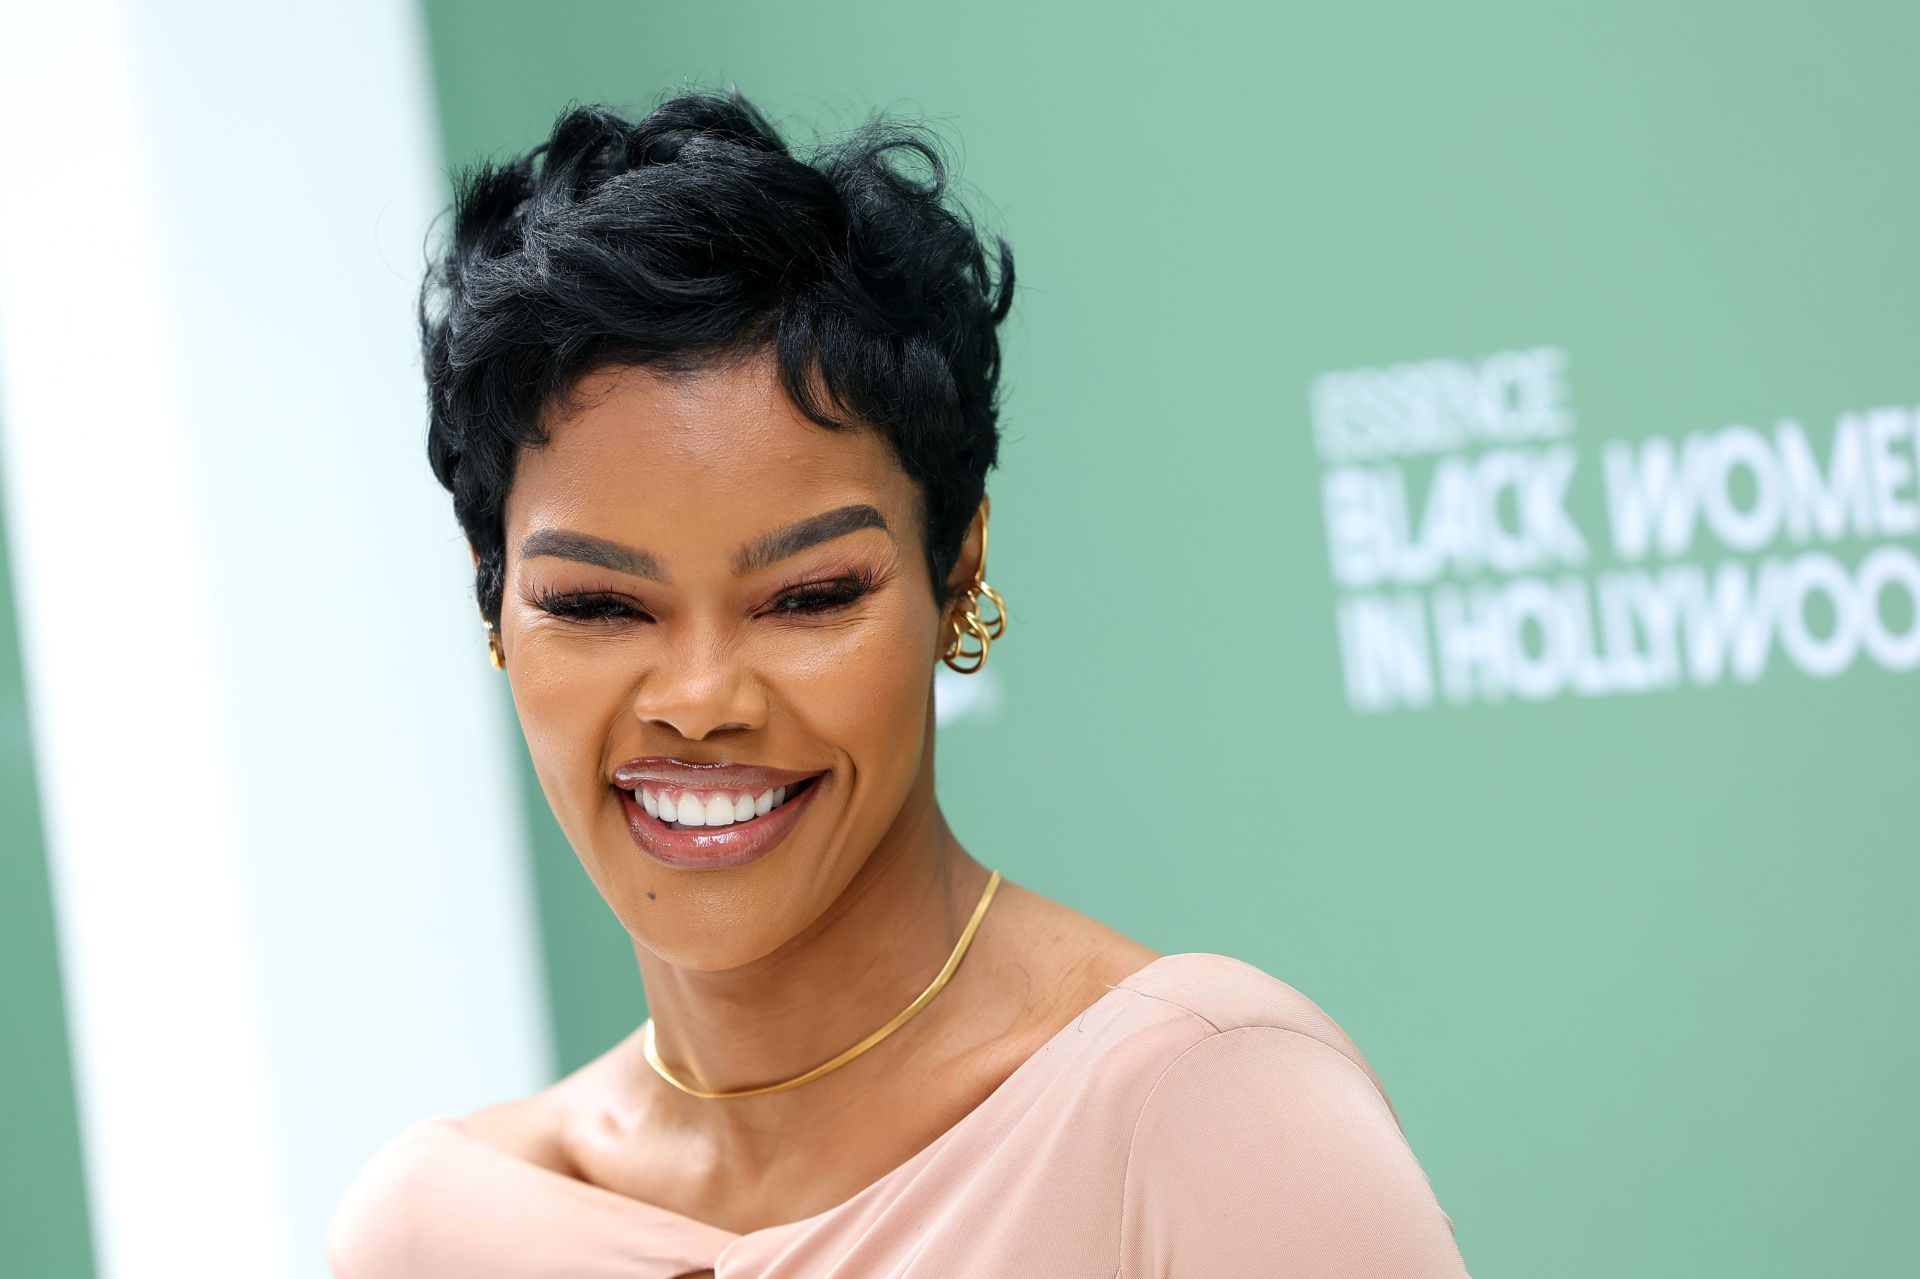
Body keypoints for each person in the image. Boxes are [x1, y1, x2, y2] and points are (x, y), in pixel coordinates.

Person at [324, 87, 1469, 1278]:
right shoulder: (436, 1231)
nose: (703, 696)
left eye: (808, 597)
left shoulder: (1200, 1109)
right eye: (600, 605)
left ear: (958, 567)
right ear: (494, 601)